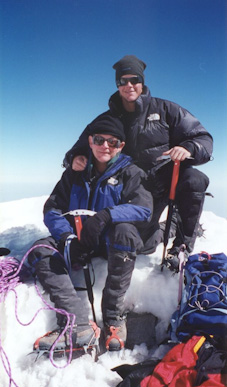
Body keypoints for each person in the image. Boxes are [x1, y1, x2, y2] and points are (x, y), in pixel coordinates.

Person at [63, 55, 213, 270]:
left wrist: (188, 148)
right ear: (117, 85)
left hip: (162, 181)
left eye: (134, 79)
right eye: (122, 81)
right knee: (140, 245)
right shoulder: (107, 118)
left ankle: (181, 246)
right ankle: (167, 228)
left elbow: (202, 138)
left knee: (195, 179)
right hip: (129, 188)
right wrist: (75, 157)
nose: (129, 85)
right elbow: (80, 146)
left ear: (142, 82)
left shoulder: (166, 110)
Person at [28, 115, 152, 353]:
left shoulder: (131, 173)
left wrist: (106, 216)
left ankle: (113, 317)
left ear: (121, 146)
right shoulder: (75, 172)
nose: (106, 146)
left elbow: (143, 209)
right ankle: (77, 323)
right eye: (99, 139)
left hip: (109, 243)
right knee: (41, 250)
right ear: (90, 141)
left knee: (125, 232)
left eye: (113, 142)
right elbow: (53, 208)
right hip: (76, 240)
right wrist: (66, 238)